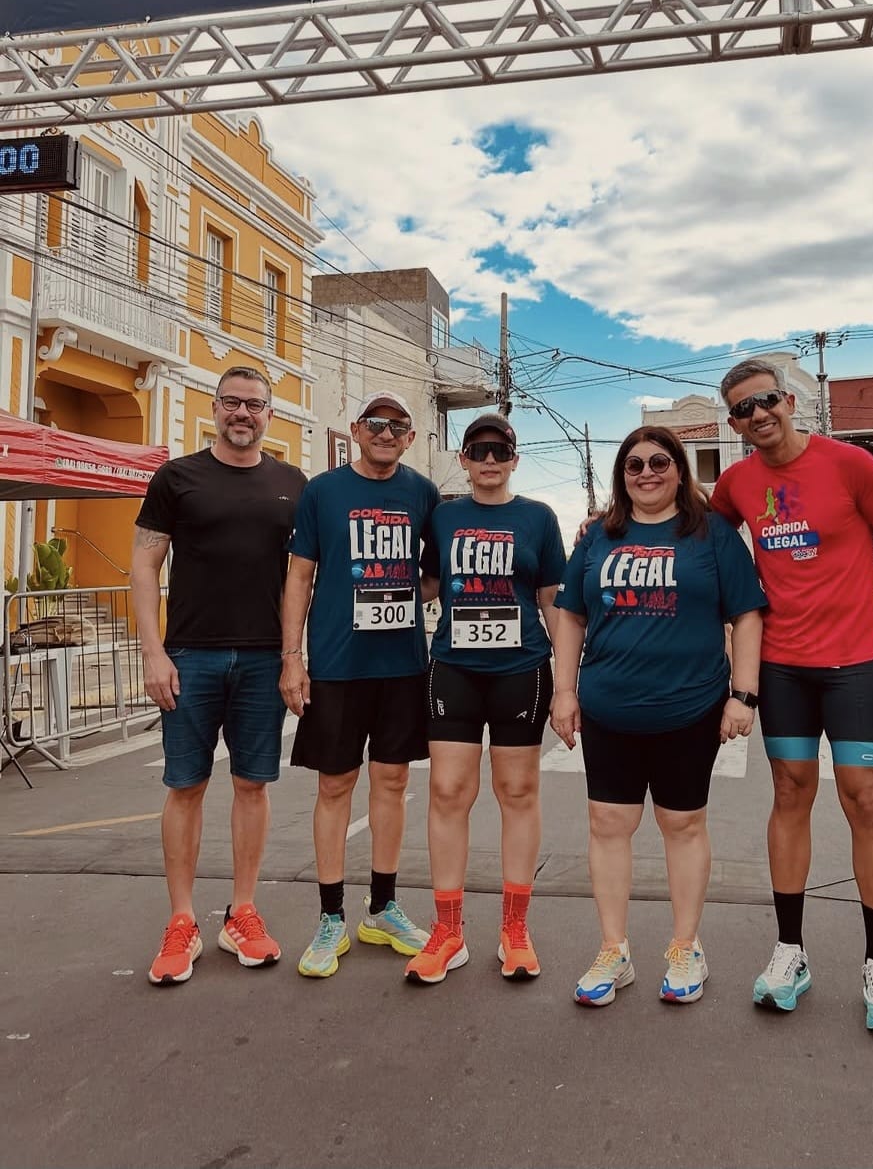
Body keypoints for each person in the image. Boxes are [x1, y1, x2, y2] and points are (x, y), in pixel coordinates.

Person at [712, 359, 873, 1033]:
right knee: (789, 794)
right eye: (744, 409)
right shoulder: (736, 483)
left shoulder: (849, 465)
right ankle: (791, 951)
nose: (759, 414)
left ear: (790, 401)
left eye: (768, 400)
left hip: (851, 666)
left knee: (866, 799)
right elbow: (710, 541)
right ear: (733, 423)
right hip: (780, 669)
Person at [552, 425, 765, 1007]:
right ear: (622, 475)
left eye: (659, 462)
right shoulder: (598, 536)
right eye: (634, 465)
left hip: (688, 709)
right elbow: (570, 614)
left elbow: (747, 614)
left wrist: (743, 695)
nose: (647, 473)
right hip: (609, 708)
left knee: (683, 826)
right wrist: (563, 691)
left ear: (679, 469)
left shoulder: (712, 534)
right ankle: (613, 949)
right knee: (607, 826)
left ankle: (684, 946)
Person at [133, 365, 307, 986]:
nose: (243, 413)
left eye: (254, 405)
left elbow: (303, 576)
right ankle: (181, 920)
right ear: (215, 407)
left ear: (269, 414)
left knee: (253, 786)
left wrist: (296, 655)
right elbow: (144, 567)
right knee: (185, 785)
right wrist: (154, 652)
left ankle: (244, 912)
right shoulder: (177, 478)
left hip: (264, 657)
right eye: (232, 402)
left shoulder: (293, 484)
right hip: (191, 657)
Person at [281, 391, 440, 978]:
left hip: (401, 665)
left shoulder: (422, 493)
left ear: (409, 437)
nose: (385, 432)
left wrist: (403, 593)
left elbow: (435, 572)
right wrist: (291, 658)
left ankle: (383, 907)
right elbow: (299, 576)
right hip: (337, 666)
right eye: (375, 423)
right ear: (354, 430)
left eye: (396, 425)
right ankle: (330, 918)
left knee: (392, 782)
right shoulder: (323, 492)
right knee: (334, 786)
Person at [403, 413, 566, 985]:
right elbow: (420, 583)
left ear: (514, 459)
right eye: (479, 450)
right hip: (454, 667)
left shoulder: (537, 518)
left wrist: (568, 684)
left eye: (501, 450)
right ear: (464, 459)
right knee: (448, 791)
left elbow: (553, 601)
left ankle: (514, 927)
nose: (490, 459)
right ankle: (447, 931)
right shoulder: (444, 517)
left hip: (521, 668)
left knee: (517, 790)